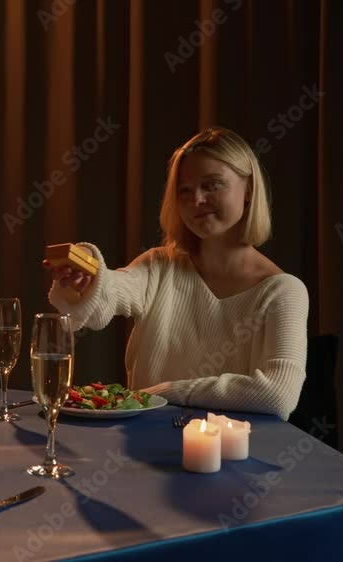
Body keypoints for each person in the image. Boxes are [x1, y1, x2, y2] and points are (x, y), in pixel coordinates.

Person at [44, 127, 309, 420]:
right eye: (185, 190)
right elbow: (106, 297)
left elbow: (278, 395)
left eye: (212, 185)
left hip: (234, 459)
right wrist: (85, 276)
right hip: (144, 450)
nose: (196, 200)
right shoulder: (159, 265)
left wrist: (169, 392)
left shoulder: (283, 291)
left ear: (248, 190)